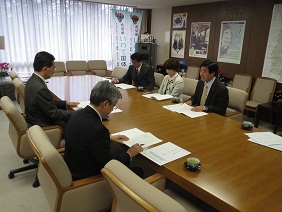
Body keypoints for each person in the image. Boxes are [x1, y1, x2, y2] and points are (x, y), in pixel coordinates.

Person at [64, 81, 143, 181]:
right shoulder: (98, 130)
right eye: (113, 106)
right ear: (105, 104)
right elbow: (108, 166)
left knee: (115, 151)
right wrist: (129, 154)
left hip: (72, 165)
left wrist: (109, 137)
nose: (112, 109)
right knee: (139, 171)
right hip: (87, 178)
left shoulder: (77, 114)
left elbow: (86, 134)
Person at [24, 51, 78, 137]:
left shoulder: (32, 81)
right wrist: (75, 112)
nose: (54, 71)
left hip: (35, 118)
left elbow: (46, 103)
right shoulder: (40, 88)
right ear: (45, 69)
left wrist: (65, 103)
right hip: (46, 126)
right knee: (81, 125)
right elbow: (54, 114)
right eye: (53, 68)